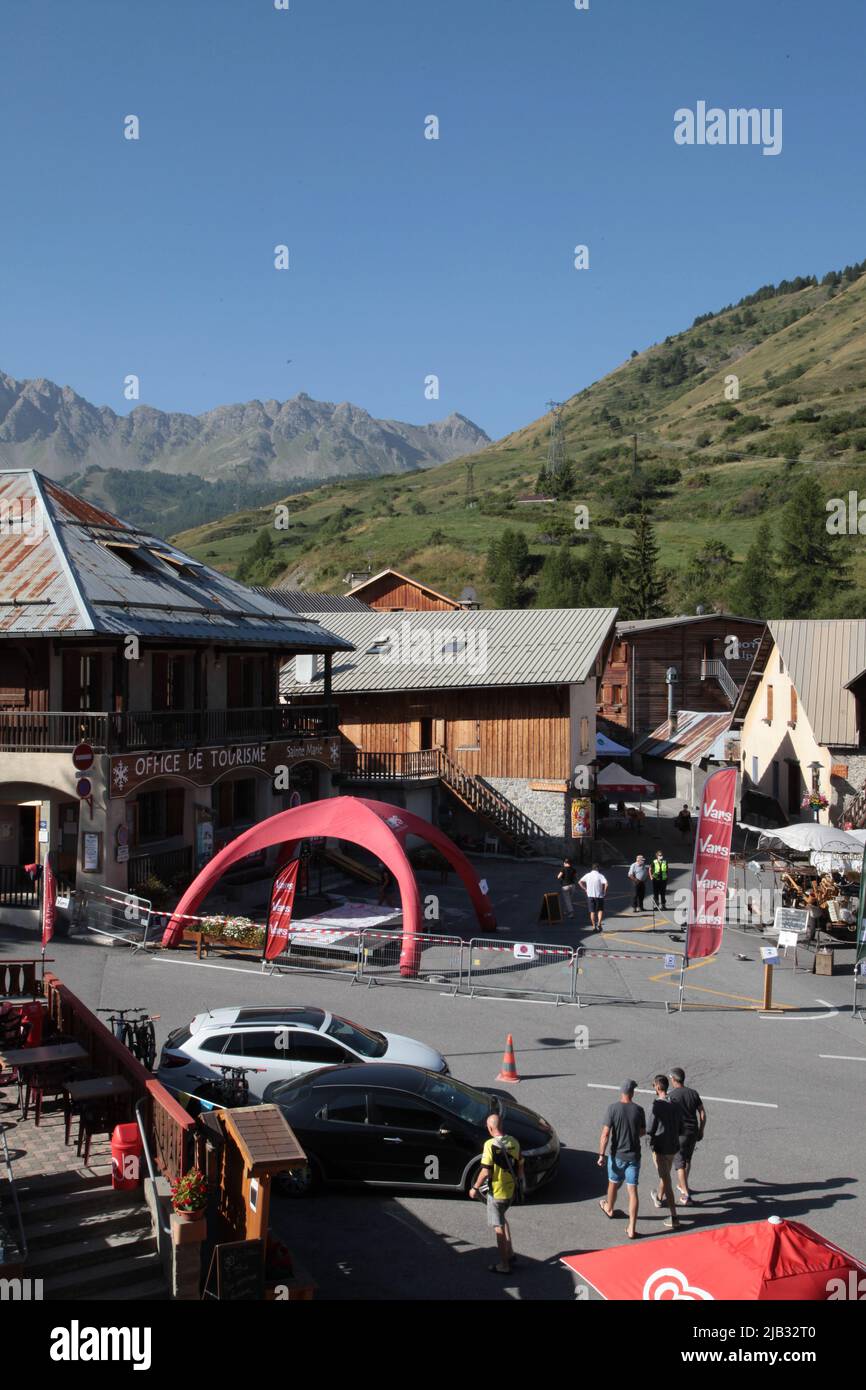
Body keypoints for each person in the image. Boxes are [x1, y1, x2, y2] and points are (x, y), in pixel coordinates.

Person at [469, 1112, 524, 1274]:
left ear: (490, 1128)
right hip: (510, 1190)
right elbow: (521, 1163)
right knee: (502, 1218)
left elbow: (485, 1171)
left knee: (498, 1227)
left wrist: (475, 1187)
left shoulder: (489, 1145)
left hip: (497, 1192)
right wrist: (519, 1181)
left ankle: (504, 1265)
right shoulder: (514, 1141)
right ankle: (511, 1253)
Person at [597, 1080, 646, 1239]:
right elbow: (642, 1132)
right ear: (632, 1093)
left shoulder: (612, 1109)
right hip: (634, 1157)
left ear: (621, 1092)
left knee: (612, 1183)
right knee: (633, 1191)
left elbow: (605, 1135)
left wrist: (601, 1155)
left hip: (617, 1156)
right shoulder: (639, 1110)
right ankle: (631, 1228)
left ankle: (609, 1208)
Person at [668, 1066, 707, 1205]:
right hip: (693, 1132)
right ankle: (682, 1184)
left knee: (680, 1164)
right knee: (688, 1159)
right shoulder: (693, 1093)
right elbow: (702, 1113)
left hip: (680, 1134)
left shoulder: (672, 1096)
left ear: (673, 1079)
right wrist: (701, 1129)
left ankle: (686, 1195)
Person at [648, 1074, 681, 1228]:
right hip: (673, 1146)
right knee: (665, 1173)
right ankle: (658, 1197)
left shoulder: (656, 1105)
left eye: (654, 1085)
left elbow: (650, 1128)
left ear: (658, 1087)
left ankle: (674, 1216)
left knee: (666, 1179)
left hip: (661, 1147)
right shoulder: (675, 1103)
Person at [578, 862, 608, 932]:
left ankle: (594, 926)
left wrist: (585, 889)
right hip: (599, 896)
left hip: (590, 895)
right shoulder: (600, 875)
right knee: (600, 910)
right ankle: (599, 923)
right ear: (597, 868)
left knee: (592, 911)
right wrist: (604, 891)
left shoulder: (587, 875)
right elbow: (606, 883)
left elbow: (579, 882)